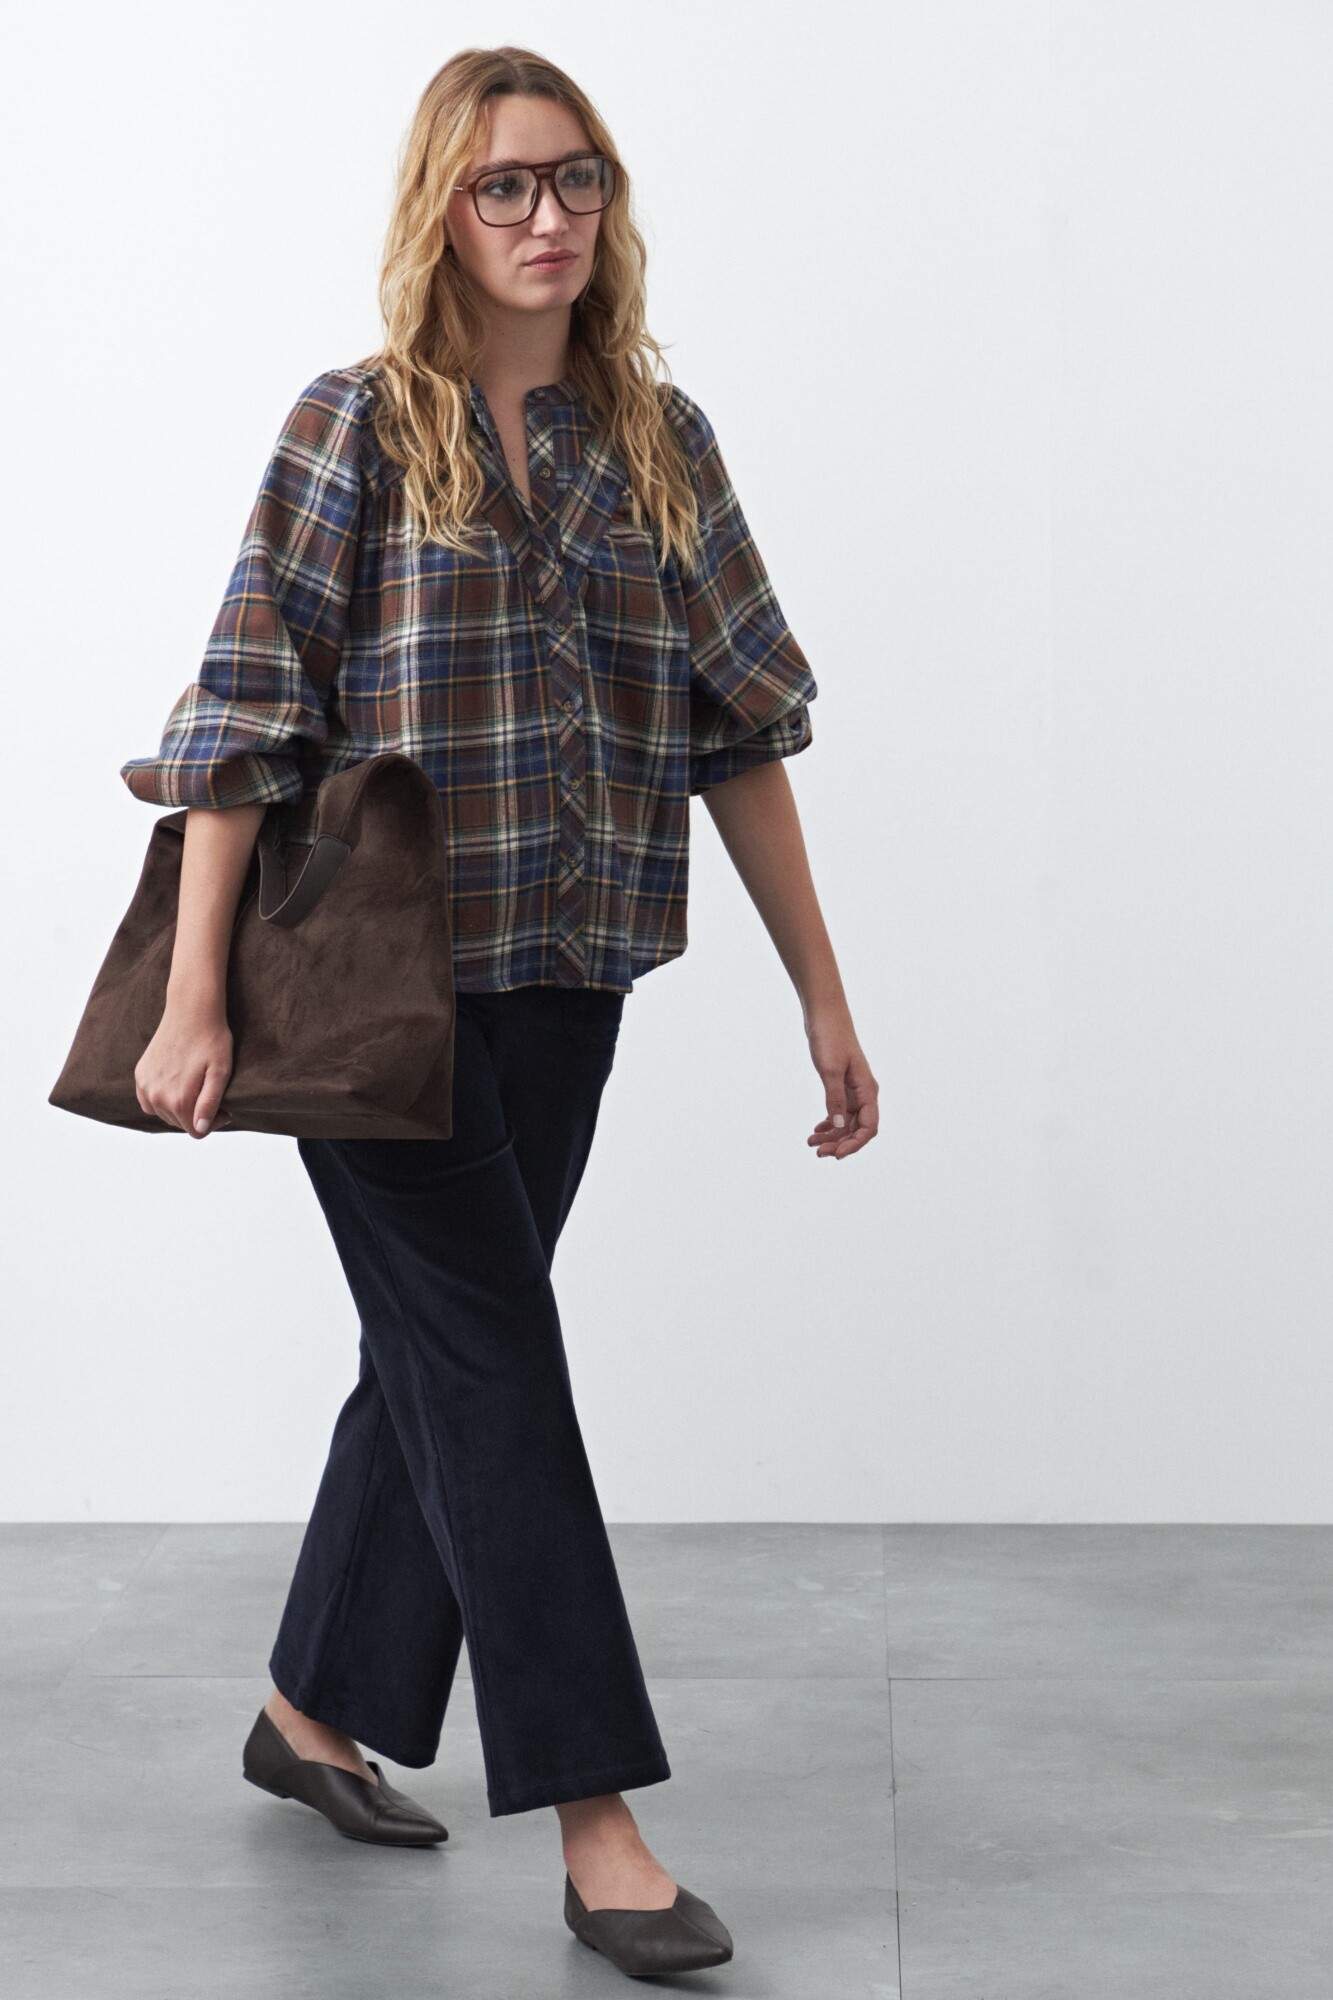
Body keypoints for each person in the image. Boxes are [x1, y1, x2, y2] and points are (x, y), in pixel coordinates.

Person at [122, 43, 879, 1983]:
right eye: (505, 185)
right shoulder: (357, 426)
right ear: (439, 212)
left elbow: (740, 729)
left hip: (571, 973)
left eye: (577, 178)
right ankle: (597, 1822)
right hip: (369, 1001)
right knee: (495, 1372)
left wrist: (822, 993)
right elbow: (241, 717)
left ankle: (310, 1708)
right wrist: (194, 998)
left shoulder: (656, 440)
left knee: (443, 1355)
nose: (550, 217)